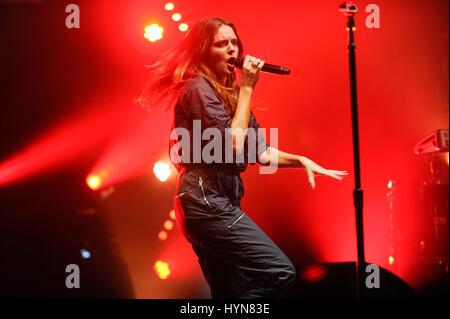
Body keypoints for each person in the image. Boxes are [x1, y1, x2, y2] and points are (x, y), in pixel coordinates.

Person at [136, 17, 348, 299]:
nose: (231, 50)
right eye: (221, 44)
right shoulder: (199, 87)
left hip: (215, 200)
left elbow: (258, 150)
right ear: (204, 51)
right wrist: (247, 88)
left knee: (229, 292)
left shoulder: (231, 95)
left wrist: (301, 161)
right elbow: (232, 144)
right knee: (279, 272)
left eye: (234, 43)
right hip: (205, 199)